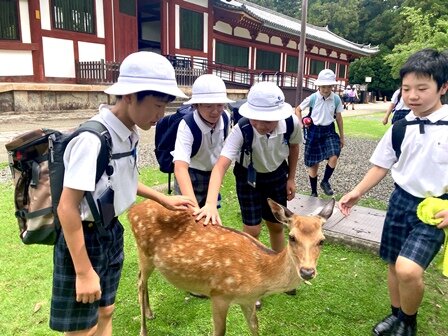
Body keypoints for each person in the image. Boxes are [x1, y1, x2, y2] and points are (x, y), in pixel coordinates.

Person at [50, 51, 194, 336]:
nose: (160, 115)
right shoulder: (92, 140)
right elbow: (67, 207)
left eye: (164, 107)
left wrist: (163, 198)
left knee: (106, 310)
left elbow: (120, 181)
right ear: (130, 96)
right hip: (84, 236)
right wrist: (82, 271)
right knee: (83, 328)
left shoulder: (129, 132)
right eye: (156, 105)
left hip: (110, 230)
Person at [338, 48, 448, 336]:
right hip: (399, 201)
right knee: (392, 263)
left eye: (422, 88)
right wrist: (355, 192)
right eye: (406, 88)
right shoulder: (400, 126)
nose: (412, 95)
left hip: (434, 208)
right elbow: (380, 165)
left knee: (408, 270)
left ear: (443, 87)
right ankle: (396, 315)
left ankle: (409, 322)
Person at [195, 81, 300, 254]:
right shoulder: (242, 129)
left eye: (266, 121)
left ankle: (279, 266)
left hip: (277, 176)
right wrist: (211, 203)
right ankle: (250, 270)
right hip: (248, 179)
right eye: (254, 118)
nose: (259, 125)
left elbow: (294, 147)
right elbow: (220, 166)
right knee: (252, 230)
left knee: (276, 225)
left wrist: (291, 178)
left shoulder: (291, 124)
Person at [173, 74, 233, 210]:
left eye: (220, 105)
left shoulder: (226, 117)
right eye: (208, 106)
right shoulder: (187, 125)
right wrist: (193, 207)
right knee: (187, 218)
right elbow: (180, 168)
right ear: (196, 105)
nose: (215, 111)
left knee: (211, 215)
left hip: (213, 174)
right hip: (190, 174)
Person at [295, 68, 344, 197]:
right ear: (319, 86)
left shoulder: (336, 99)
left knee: (334, 155)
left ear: (332, 86)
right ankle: (313, 191)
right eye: (323, 87)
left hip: (329, 130)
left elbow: (338, 118)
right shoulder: (313, 98)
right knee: (313, 163)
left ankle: (325, 181)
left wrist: (342, 137)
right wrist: (301, 125)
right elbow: (298, 109)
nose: (326, 90)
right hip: (314, 131)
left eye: (328, 87)